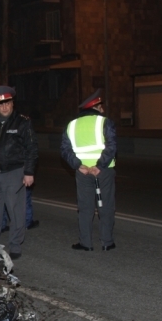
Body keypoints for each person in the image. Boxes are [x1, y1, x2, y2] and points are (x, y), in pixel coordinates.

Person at [0, 86, 38, 260]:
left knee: (15, 210)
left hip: (14, 172)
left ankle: (15, 244)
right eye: (0, 104)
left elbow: (32, 148)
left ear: (12, 103)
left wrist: (29, 171)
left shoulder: (22, 122)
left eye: (7, 103)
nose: (4, 107)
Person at [61, 89, 117, 251]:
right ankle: (107, 242)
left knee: (85, 208)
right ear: (96, 107)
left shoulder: (71, 125)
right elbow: (112, 146)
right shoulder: (105, 122)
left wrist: (78, 165)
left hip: (83, 172)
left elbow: (65, 150)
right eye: (101, 106)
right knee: (105, 206)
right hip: (103, 171)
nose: (103, 109)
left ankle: (86, 243)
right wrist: (99, 166)